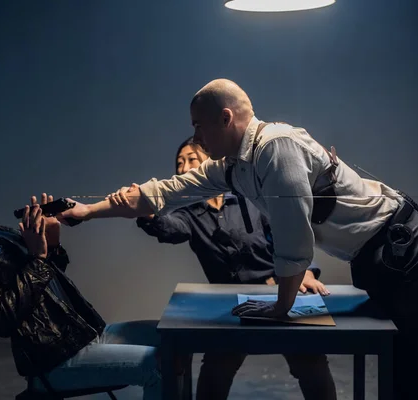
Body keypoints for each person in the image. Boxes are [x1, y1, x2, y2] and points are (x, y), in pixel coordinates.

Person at [55, 79, 418, 400]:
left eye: (199, 125)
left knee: (412, 363)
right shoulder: (233, 167)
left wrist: (281, 307)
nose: (195, 135)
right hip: (371, 253)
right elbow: (163, 193)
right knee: (399, 364)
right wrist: (88, 212)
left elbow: (294, 236)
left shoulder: (276, 149)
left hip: (401, 245)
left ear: (225, 118)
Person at [0, 169, 162, 399]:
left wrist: (51, 244)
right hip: (55, 360)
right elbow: (3, 317)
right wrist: (38, 256)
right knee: (158, 365)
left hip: (85, 333)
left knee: (172, 336)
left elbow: (46, 281)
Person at [110, 136, 336, 400]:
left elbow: (289, 231)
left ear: (211, 164)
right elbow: (170, 229)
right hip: (229, 306)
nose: (183, 168)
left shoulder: (250, 196)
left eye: (191, 160)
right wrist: (145, 211)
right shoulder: (187, 213)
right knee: (216, 370)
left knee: (310, 362)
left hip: (279, 289)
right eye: (179, 163)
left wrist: (305, 272)